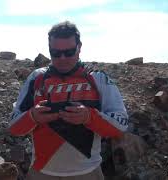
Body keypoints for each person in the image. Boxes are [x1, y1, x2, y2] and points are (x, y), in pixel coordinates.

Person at [8, 21, 128, 180]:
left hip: (88, 172)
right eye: (56, 53)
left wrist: (88, 117)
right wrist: (32, 117)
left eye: (69, 52)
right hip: (42, 172)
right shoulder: (36, 78)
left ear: (80, 47)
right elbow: (14, 127)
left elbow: (121, 125)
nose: (62, 58)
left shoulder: (98, 78)